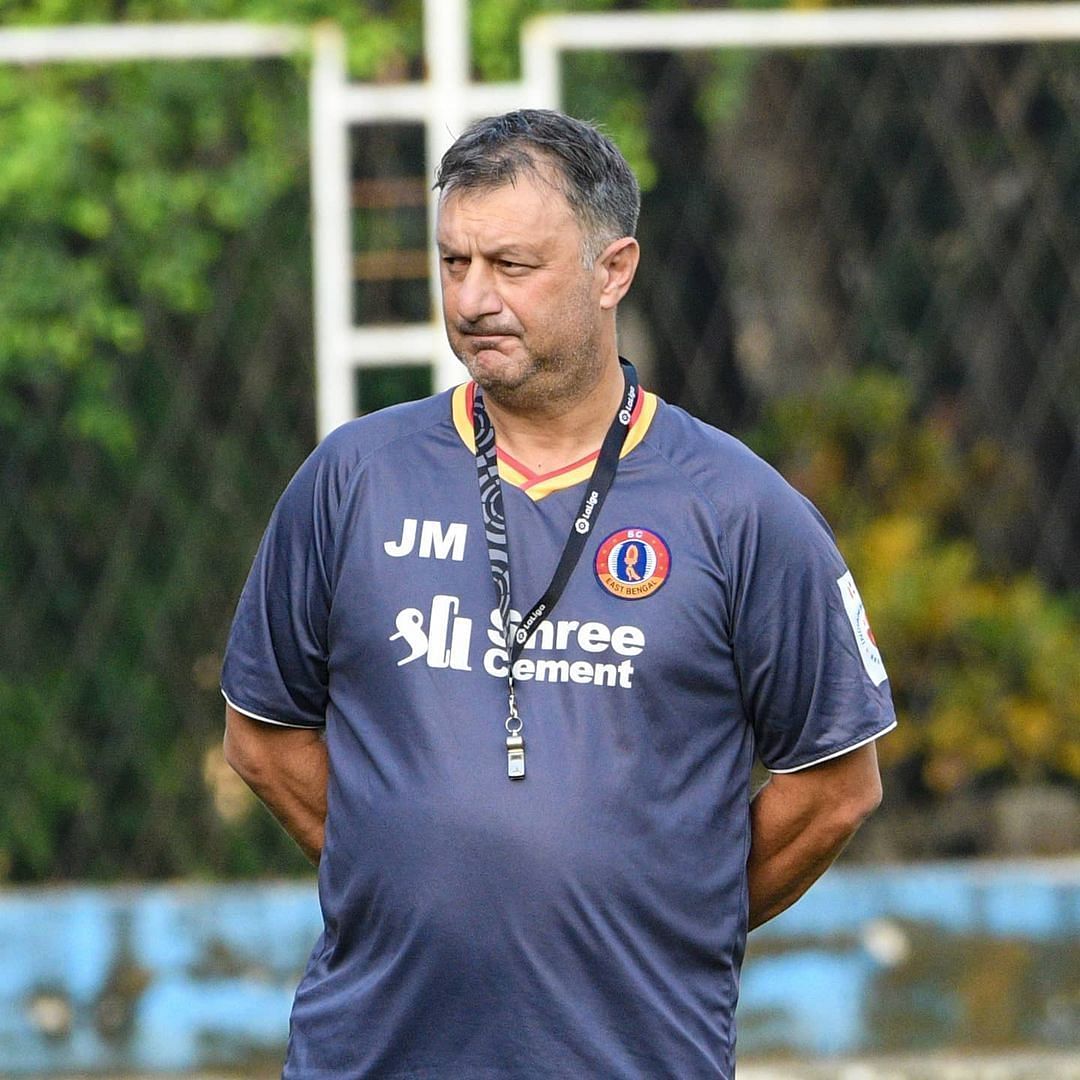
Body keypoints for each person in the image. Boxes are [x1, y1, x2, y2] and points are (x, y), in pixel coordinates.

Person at [221, 109, 895, 1079]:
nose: (474, 297)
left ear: (613, 269)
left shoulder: (741, 509)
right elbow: (264, 736)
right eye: (454, 263)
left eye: (511, 265)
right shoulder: (352, 478)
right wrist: (402, 873)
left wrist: (662, 914)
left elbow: (836, 785)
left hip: (631, 1054)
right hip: (369, 1053)